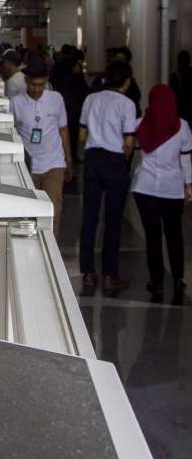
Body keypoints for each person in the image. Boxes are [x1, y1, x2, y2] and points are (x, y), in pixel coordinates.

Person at [78, 61, 137, 290]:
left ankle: (88, 273)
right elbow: (129, 141)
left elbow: (82, 136)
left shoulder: (91, 99)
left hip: (93, 159)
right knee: (113, 221)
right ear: (127, 81)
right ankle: (110, 274)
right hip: (115, 161)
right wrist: (124, 160)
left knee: (90, 218)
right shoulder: (127, 104)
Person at [130, 84, 192, 295]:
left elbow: (134, 150)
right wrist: (189, 185)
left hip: (144, 187)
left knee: (152, 235)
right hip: (172, 189)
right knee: (174, 234)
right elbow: (186, 161)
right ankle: (177, 279)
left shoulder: (140, 124)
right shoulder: (182, 127)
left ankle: (156, 281)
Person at [9, 60, 72, 237]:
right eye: (33, 84)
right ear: (26, 80)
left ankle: (53, 247)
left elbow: (63, 129)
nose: (37, 89)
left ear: (47, 81)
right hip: (27, 166)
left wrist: (69, 159)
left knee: (53, 211)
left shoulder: (56, 99)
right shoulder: (16, 103)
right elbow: (11, 132)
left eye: (41, 85)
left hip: (54, 163)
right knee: (28, 211)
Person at [113, 47, 142, 117]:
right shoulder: (107, 78)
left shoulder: (131, 82)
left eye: (121, 59)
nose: (118, 61)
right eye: (116, 58)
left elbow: (135, 100)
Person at [169, 50, 192, 123]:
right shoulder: (175, 77)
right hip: (179, 110)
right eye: (181, 62)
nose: (182, 64)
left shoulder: (185, 76)